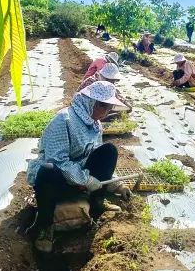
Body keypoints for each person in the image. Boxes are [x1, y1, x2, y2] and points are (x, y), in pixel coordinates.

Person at [27, 81, 128, 251]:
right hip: (56, 183)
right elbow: (58, 161)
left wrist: (116, 184)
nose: (107, 113)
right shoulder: (64, 120)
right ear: (91, 103)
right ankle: (45, 226)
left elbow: (96, 155)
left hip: (80, 180)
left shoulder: (95, 124)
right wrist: (86, 179)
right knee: (48, 170)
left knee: (109, 150)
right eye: (106, 108)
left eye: (110, 109)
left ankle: (97, 201)